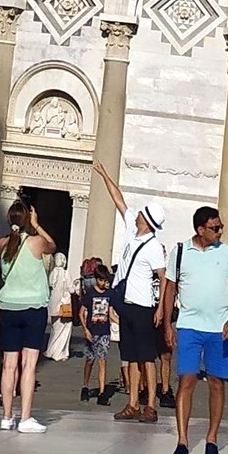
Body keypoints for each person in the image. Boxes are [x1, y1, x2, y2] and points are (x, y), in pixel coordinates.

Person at [161, 204, 228, 454]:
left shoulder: (227, 253)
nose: (219, 231)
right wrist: (167, 324)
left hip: (218, 327)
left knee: (217, 382)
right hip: (189, 325)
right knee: (186, 380)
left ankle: (212, 438)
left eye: (220, 227)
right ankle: (182, 441)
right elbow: (170, 289)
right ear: (200, 229)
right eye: (214, 227)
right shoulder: (181, 251)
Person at [92, 158, 168, 423]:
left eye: (141, 213)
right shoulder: (130, 232)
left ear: (146, 221)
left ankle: (151, 405)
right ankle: (133, 403)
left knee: (147, 358)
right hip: (124, 303)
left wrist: (160, 308)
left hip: (143, 306)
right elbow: (118, 199)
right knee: (130, 356)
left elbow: (164, 278)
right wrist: (104, 174)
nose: (136, 213)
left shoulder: (154, 247)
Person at [0, 197, 55, 432]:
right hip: (32, 308)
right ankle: (25, 417)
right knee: (29, 365)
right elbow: (52, 245)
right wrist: (37, 224)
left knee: (9, 365)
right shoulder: (36, 243)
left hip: (9, 307)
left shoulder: (2, 243)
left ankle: (7, 416)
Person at [76, 260, 113, 402]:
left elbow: (111, 313)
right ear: (97, 279)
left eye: (105, 280)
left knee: (102, 360)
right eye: (101, 280)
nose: (103, 283)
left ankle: (102, 392)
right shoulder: (90, 294)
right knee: (90, 359)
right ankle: (85, 385)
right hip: (91, 330)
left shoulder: (110, 294)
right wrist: (85, 329)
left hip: (104, 331)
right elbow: (81, 312)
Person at [45, 251, 73, 361]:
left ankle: (51, 350)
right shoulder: (66, 273)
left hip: (53, 304)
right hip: (64, 305)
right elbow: (71, 289)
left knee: (55, 329)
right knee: (65, 328)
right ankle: (60, 352)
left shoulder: (52, 273)